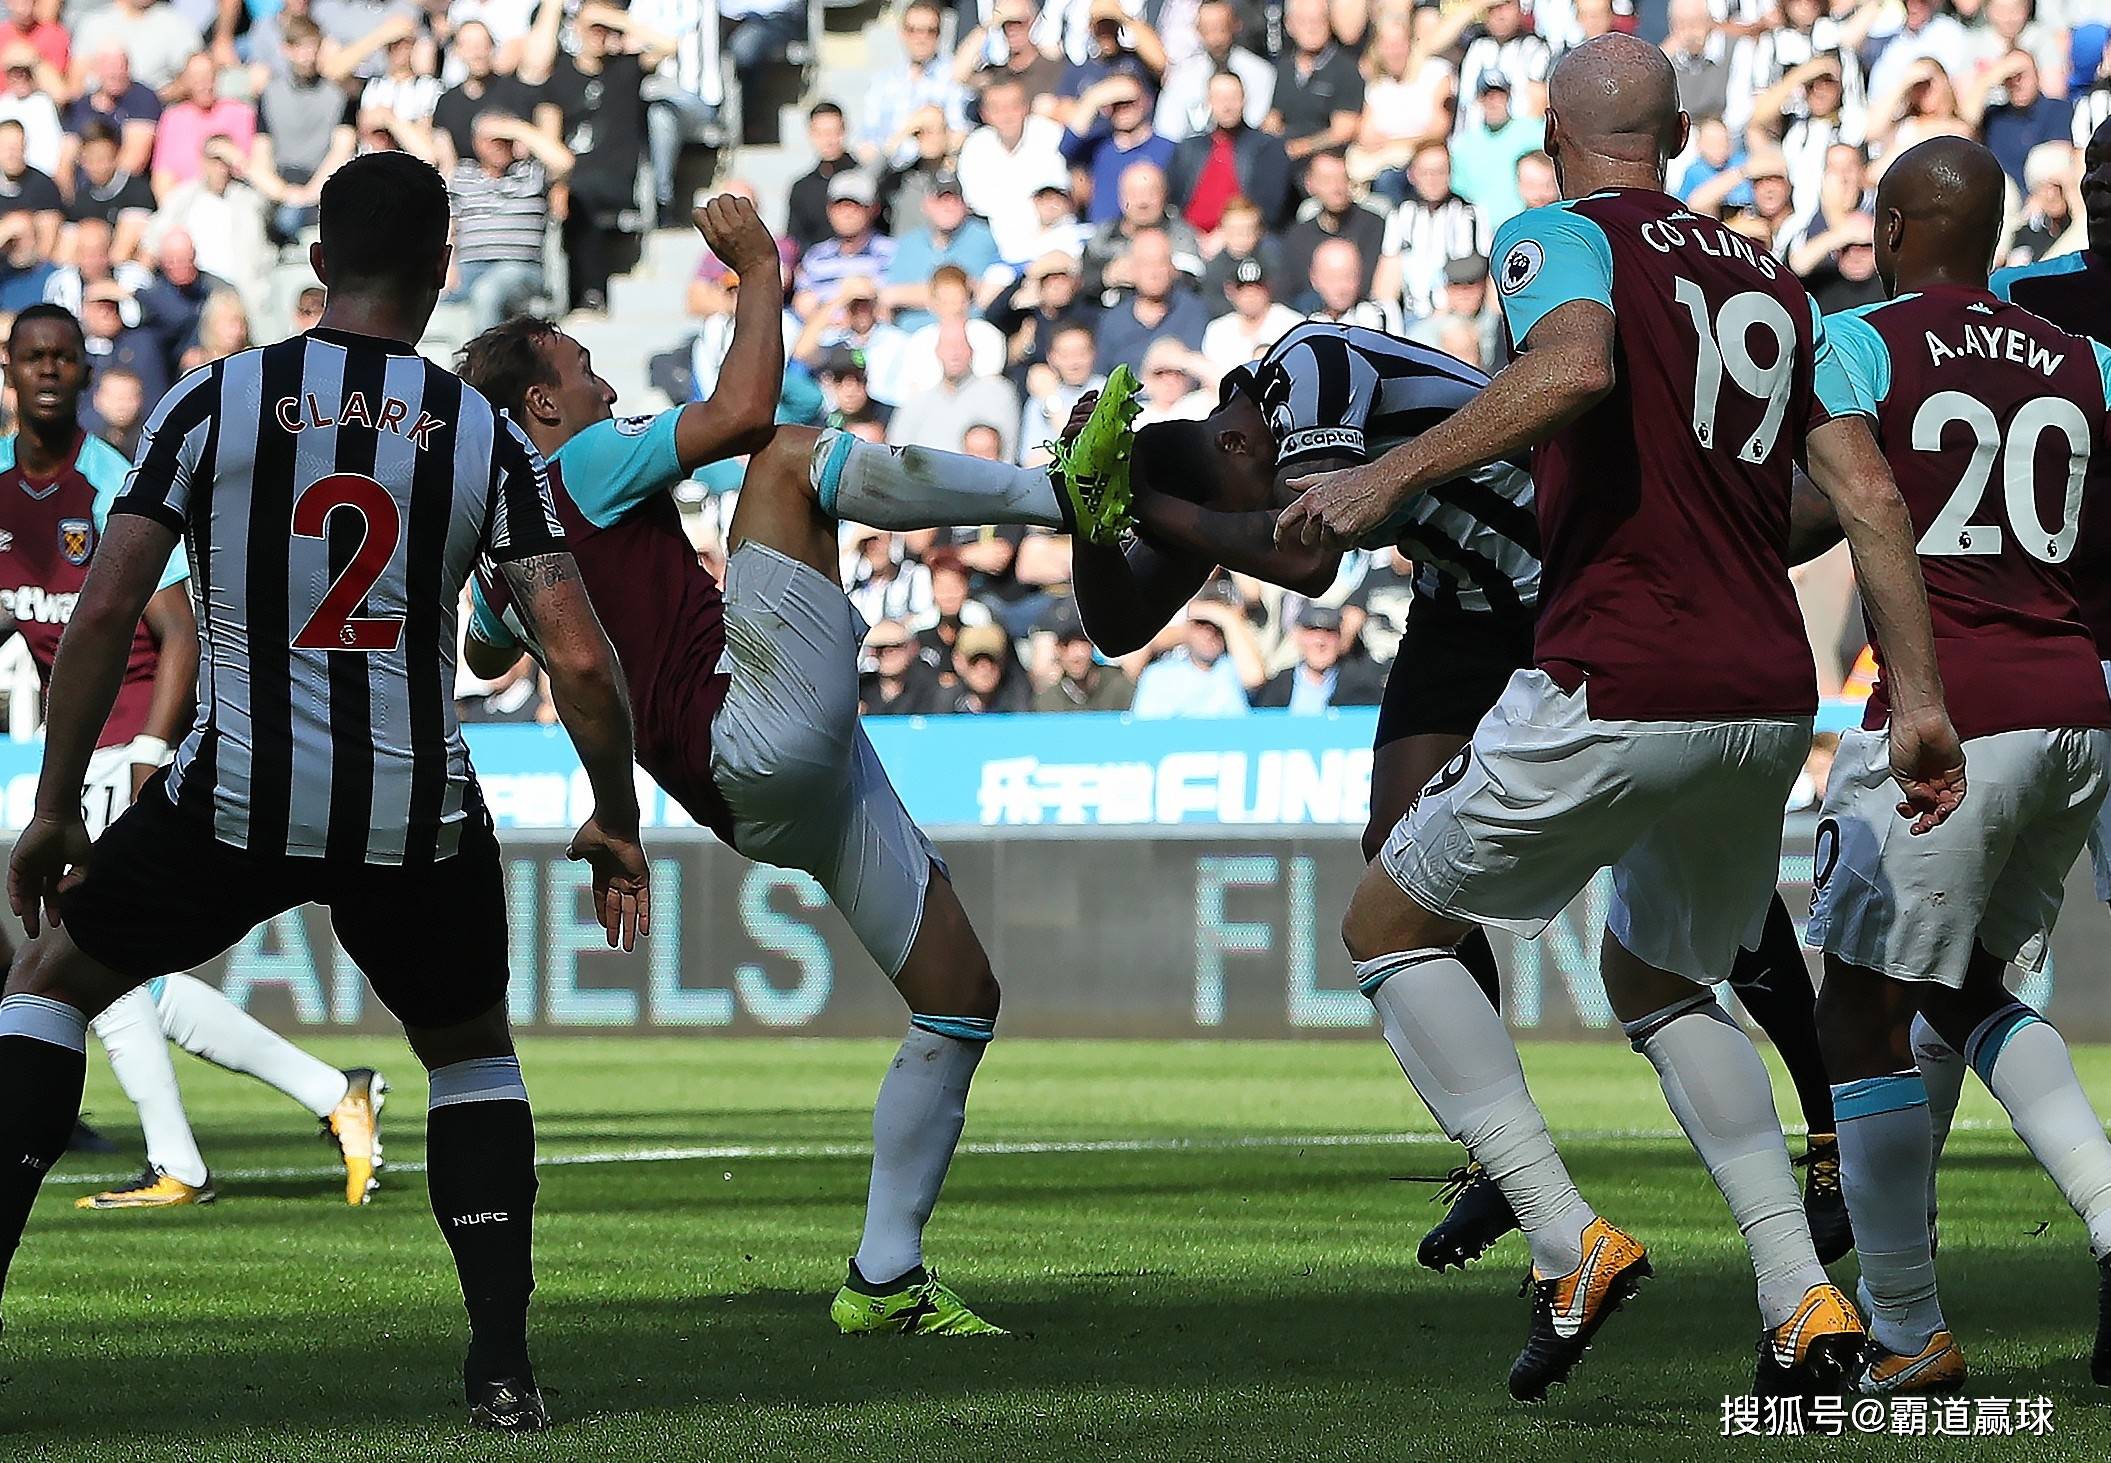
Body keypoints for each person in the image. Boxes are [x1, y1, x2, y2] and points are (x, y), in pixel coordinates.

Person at [1276, 36, 1962, 1398]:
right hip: (1763, 691)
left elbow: (1578, 364)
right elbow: (1872, 500)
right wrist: (1921, 702)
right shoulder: (1769, 275)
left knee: (1384, 924)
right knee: (1656, 975)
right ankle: (1797, 1293)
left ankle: (1560, 1234)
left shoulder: (1554, 234)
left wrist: (1386, 474)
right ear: (1676, 136)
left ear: (1550, 135)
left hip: (1614, 668)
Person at [0, 152, 649, 1434]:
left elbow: (109, 604)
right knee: (469, 1054)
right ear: (443, 270)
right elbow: (576, 650)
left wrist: (57, 798)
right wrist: (613, 812)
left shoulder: (212, 401)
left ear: (316, 262)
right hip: (411, 811)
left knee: (49, 987)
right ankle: (502, 1365)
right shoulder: (482, 432)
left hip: (230, 800)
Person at [456, 197, 1146, 1342]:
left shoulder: (501, 558)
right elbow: (737, 410)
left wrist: (491, 576)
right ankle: (1058, 493)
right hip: (756, 722)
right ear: (540, 405)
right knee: (785, 456)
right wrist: (761, 269)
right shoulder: (580, 458)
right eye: (582, 371)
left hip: (757, 797)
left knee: (958, 1000)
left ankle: (883, 1280)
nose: (603, 389)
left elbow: (480, 644)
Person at [1799, 136, 2111, 1396]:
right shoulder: (2086, 359)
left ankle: (1905, 1325)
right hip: (2074, 709)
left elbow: (1832, 505)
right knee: (1969, 990)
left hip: (1948, 711)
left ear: (1884, 229)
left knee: (1855, 1007)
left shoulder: (1858, 341)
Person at [1253, 604, 1385, 709]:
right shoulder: (1277, 686)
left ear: (1340, 638)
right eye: (1312, 631)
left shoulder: (1361, 687)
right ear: (1297, 636)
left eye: (1329, 632)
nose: (1320, 642)